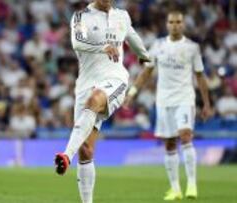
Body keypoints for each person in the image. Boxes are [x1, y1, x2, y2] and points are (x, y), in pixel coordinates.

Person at [54, 1, 150, 203]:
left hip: (115, 79)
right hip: (85, 83)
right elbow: (77, 42)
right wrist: (102, 47)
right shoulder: (81, 17)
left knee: (95, 100)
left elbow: (131, 36)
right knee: (86, 150)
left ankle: (66, 156)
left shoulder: (122, 16)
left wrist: (144, 55)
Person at [124, 10, 213, 200]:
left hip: (184, 98)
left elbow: (200, 76)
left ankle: (191, 184)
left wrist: (206, 103)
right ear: (167, 24)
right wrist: (132, 93)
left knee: (185, 136)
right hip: (164, 100)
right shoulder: (157, 46)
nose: (174, 25)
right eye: (171, 22)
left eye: (178, 22)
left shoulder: (192, 48)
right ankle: (175, 189)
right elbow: (146, 73)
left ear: (183, 24)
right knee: (170, 144)